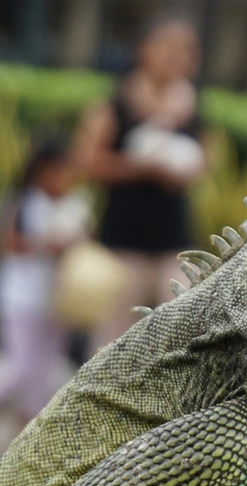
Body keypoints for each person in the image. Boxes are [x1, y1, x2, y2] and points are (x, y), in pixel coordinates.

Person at [74, 16, 205, 356]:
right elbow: (86, 161)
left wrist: (181, 170)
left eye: (186, 51)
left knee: (180, 326)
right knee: (112, 336)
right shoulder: (117, 102)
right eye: (169, 48)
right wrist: (138, 168)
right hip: (123, 239)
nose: (176, 57)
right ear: (146, 51)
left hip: (171, 240)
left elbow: (204, 162)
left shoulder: (191, 107)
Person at [0, 140, 91, 425]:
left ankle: (25, 432)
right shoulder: (25, 202)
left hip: (59, 300)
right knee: (23, 366)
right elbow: (10, 243)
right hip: (24, 299)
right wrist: (46, 246)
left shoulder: (75, 206)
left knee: (47, 370)